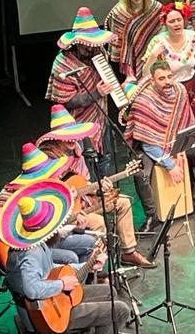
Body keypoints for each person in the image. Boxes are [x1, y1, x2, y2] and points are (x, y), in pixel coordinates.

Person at [0, 179, 132, 334]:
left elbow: (48, 270)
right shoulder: (31, 254)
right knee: (120, 310)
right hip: (47, 313)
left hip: (53, 297)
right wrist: (61, 284)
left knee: (110, 292)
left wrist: (87, 266)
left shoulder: (38, 243)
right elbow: (31, 289)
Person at [36, 105, 154, 268]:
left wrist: (98, 188)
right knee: (98, 221)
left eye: (74, 135)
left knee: (123, 202)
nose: (73, 140)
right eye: (67, 136)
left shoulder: (76, 150)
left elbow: (83, 183)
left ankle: (128, 252)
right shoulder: (45, 158)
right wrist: (63, 195)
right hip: (60, 214)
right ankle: (93, 269)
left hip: (83, 201)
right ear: (56, 137)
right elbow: (41, 192)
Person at [124, 61, 195, 233]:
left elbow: (186, 124)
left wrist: (181, 149)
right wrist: (169, 164)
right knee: (140, 174)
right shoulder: (143, 100)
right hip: (151, 144)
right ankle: (151, 215)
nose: (167, 82)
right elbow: (148, 142)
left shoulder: (179, 90)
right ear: (152, 80)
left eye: (169, 76)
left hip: (176, 140)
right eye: (161, 78)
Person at [0, 144, 96, 265]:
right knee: (70, 257)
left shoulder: (49, 189)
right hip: (27, 247)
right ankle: (66, 281)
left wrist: (73, 225)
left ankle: (84, 279)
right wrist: (20, 232)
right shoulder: (9, 192)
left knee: (89, 242)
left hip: (50, 240)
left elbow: (54, 224)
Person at [46, 7, 116, 176]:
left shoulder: (99, 52)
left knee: (105, 157)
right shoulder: (63, 64)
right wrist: (96, 93)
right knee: (85, 161)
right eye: (88, 46)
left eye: (95, 45)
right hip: (77, 124)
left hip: (101, 117)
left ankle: (104, 193)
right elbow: (66, 101)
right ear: (76, 44)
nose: (92, 49)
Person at [143, 1, 195, 121]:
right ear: (165, 23)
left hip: (191, 90)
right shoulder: (158, 41)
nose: (176, 24)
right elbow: (145, 73)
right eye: (171, 21)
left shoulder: (192, 37)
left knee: (193, 126)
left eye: (179, 20)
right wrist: (154, 55)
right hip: (168, 92)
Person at [103, 0, 162, 80]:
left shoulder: (155, 8)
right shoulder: (119, 12)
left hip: (153, 58)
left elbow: (161, 33)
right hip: (127, 65)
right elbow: (116, 42)